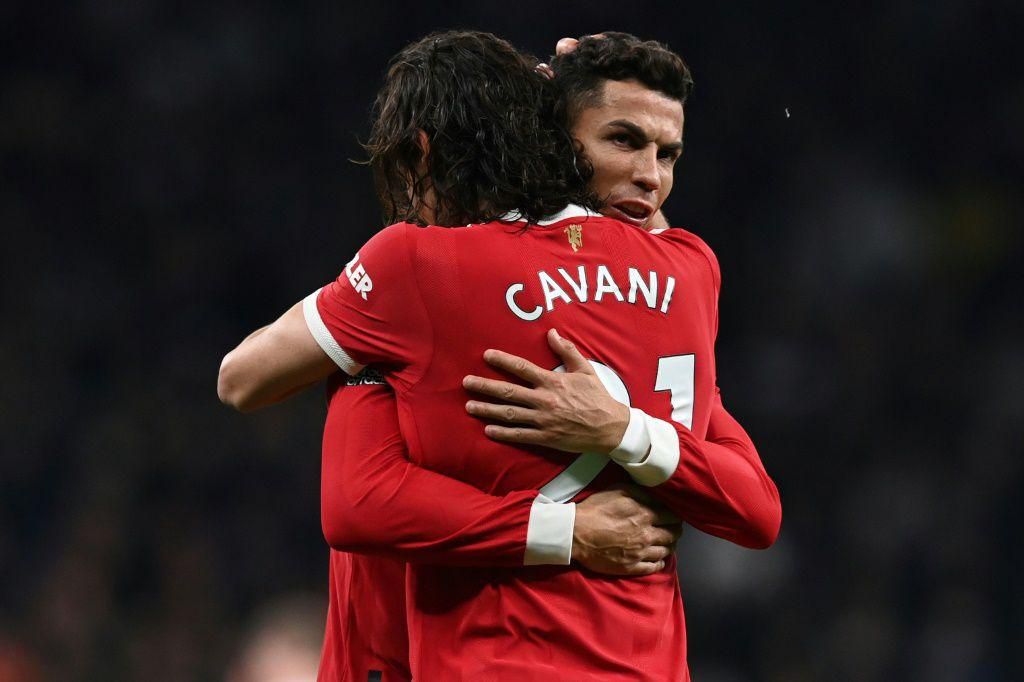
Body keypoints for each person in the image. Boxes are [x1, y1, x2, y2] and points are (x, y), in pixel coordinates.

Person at [220, 31, 780, 680]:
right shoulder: (690, 273)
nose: (650, 177)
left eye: (665, 155)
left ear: (418, 155)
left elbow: (322, 465)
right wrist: (626, 437)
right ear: (556, 140)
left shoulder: (411, 276)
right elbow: (758, 509)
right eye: (624, 141)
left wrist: (565, 524)